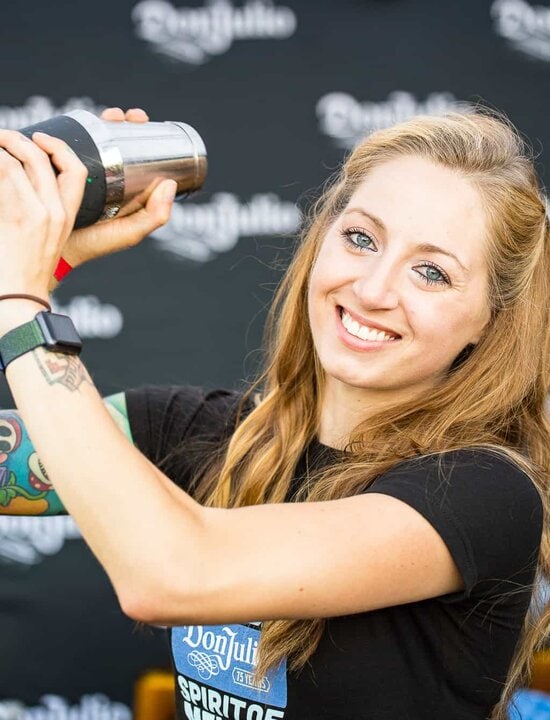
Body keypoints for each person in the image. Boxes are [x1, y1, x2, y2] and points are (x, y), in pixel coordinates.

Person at [0, 104, 547, 720]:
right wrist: (42, 265)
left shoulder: (483, 493)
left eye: (431, 272)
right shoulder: (205, 433)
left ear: (490, 321)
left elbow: (173, 572)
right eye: (361, 239)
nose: (372, 290)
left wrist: (23, 302)